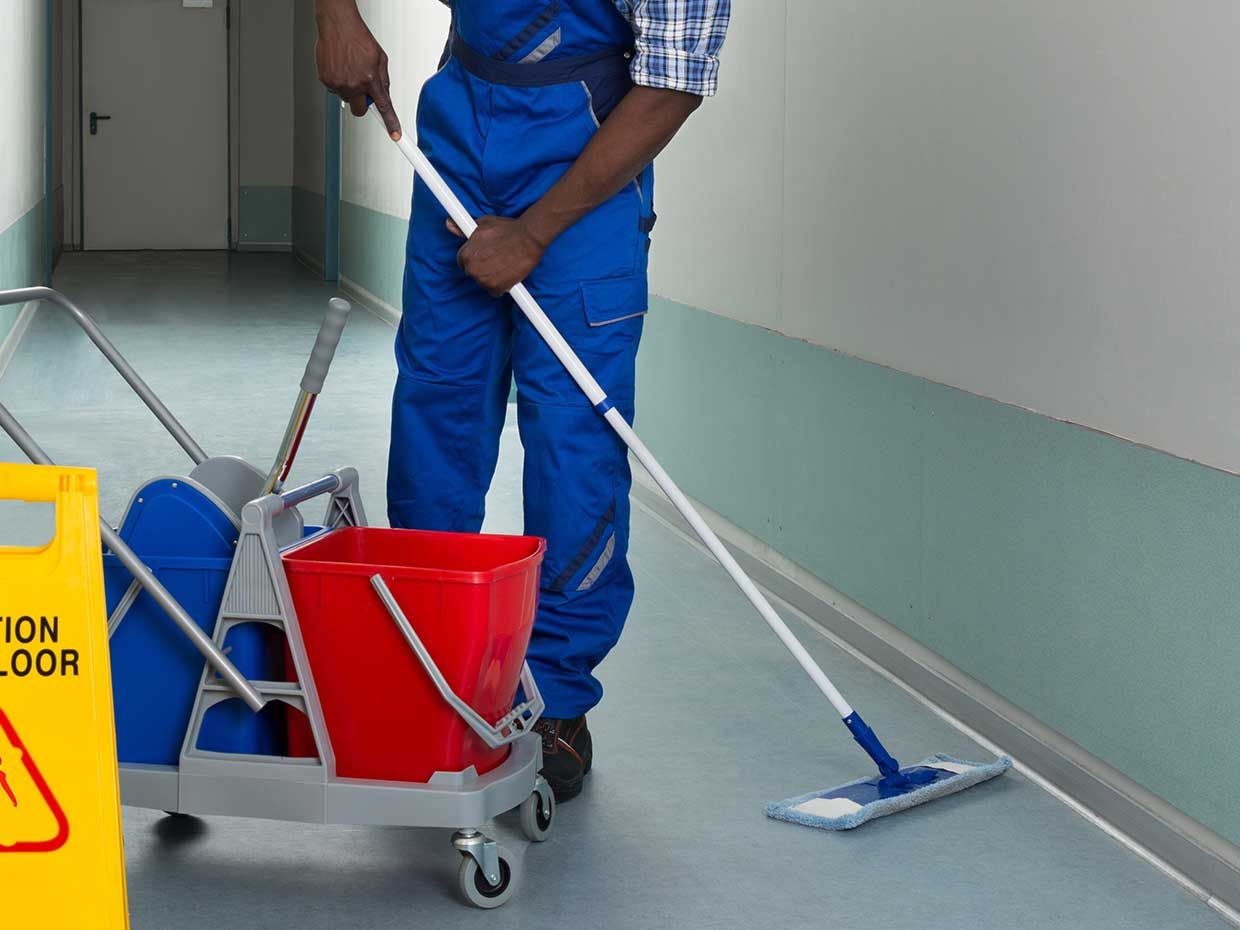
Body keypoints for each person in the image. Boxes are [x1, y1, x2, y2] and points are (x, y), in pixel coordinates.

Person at [315, 0, 730, 802]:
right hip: (462, 128)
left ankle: (556, 698)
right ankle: (427, 658)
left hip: (590, 163)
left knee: (575, 439)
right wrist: (335, 15)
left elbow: (673, 85)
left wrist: (534, 234)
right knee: (437, 413)